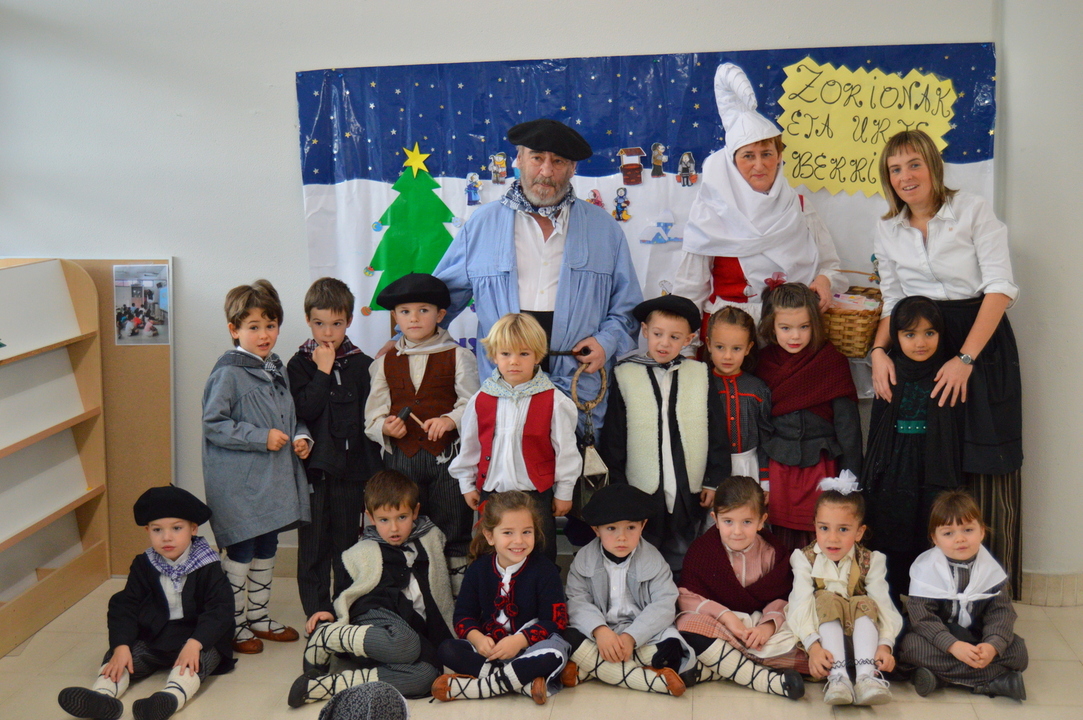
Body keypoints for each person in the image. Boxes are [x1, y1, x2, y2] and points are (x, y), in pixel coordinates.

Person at [871, 129, 1023, 594]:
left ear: (933, 166)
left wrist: (964, 358)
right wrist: (877, 352)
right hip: (917, 347)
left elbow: (1000, 288)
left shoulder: (972, 210)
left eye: (914, 164)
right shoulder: (887, 227)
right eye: (895, 169)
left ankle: (985, 594)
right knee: (919, 462)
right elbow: (892, 299)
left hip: (978, 344)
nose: (905, 176)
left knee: (979, 460)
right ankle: (920, 591)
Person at [433, 117, 643, 433]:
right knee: (505, 453)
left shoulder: (604, 228)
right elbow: (441, 299)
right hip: (504, 377)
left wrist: (606, 342)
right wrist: (402, 340)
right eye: (537, 158)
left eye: (558, 161)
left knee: (572, 456)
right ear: (518, 160)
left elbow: (627, 306)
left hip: (576, 377)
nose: (546, 171)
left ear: (572, 168)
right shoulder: (482, 224)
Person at [675, 62, 844, 336]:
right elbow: (690, 288)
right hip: (729, 338)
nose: (759, 165)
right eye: (748, 156)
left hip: (791, 334)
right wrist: (686, 343)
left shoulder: (799, 207)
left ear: (779, 158)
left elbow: (829, 264)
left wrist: (825, 280)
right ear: (733, 163)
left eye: (767, 154)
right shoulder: (711, 212)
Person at [57, 486, 234, 720]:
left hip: (197, 637)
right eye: (157, 530)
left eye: (176, 528)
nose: (166, 537)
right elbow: (125, 605)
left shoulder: (208, 565)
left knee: (196, 663)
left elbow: (220, 609)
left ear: (193, 528)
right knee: (121, 658)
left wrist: (196, 643)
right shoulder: (144, 564)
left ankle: (170, 697)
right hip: (156, 636)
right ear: (147, 530)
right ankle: (102, 697)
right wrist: (121, 645)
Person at [201, 279, 307, 654]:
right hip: (240, 485)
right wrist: (260, 437)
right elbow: (214, 424)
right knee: (242, 550)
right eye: (253, 326)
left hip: (270, 482)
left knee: (267, 545)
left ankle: (258, 617)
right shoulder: (228, 373)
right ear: (234, 330)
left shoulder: (276, 367)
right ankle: (231, 624)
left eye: (270, 325)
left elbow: (290, 414)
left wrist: (301, 436)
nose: (264, 335)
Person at [288, 471, 454, 706]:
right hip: (375, 614)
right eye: (384, 520)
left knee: (427, 675)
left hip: (406, 632)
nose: (394, 528)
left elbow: (441, 586)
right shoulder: (362, 551)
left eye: (402, 517)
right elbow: (347, 592)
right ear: (370, 517)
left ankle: (325, 686)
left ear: (415, 512)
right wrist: (331, 613)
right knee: (407, 643)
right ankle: (329, 636)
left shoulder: (430, 540)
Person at [598, 295, 730, 575]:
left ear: (689, 339)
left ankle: (683, 593)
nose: (664, 343)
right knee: (643, 550)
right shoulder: (625, 374)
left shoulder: (700, 373)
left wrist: (713, 480)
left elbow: (717, 430)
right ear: (645, 331)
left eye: (674, 337)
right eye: (658, 334)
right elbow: (614, 437)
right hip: (643, 488)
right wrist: (619, 486)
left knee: (685, 549)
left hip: (688, 484)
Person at [364, 274, 479, 590]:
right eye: (405, 311)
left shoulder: (459, 356)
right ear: (395, 316)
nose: (413, 318)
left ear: (440, 314)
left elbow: (472, 403)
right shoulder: (384, 362)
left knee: (453, 526)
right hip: (402, 461)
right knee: (405, 526)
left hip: (448, 462)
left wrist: (450, 420)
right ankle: (414, 595)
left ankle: (455, 596)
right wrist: (385, 426)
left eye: (423, 310)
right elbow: (373, 416)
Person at [287, 277, 383, 621]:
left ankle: (345, 612)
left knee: (347, 546)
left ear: (350, 321)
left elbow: (370, 421)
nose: (327, 333)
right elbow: (304, 410)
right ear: (307, 320)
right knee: (313, 547)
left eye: (337, 324)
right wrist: (323, 370)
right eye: (319, 323)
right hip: (313, 472)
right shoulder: (298, 364)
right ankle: (317, 614)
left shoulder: (363, 364)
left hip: (352, 473)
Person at [449, 312, 580, 562]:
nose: (514, 362)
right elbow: (470, 446)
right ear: (494, 356)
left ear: (537, 355)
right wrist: (467, 483)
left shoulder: (554, 400)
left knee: (540, 556)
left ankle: (541, 588)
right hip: (492, 493)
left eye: (524, 354)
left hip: (535, 495)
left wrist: (565, 490)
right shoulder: (481, 399)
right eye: (506, 353)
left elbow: (566, 451)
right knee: (491, 556)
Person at [861, 296, 962, 604]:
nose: (921, 342)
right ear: (896, 335)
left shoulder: (948, 371)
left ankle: (927, 603)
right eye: (910, 334)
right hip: (895, 463)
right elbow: (878, 428)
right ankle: (891, 602)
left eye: (930, 333)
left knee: (929, 524)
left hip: (933, 461)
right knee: (893, 525)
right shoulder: (889, 370)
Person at [431, 491, 571, 704]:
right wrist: (478, 639)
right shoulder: (478, 569)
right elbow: (463, 616)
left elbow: (556, 621)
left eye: (527, 532)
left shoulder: (545, 570)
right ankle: (521, 683)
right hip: (491, 651)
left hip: (530, 648)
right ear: (490, 536)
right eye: (508, 533)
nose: (519, 541)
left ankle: (479, 687)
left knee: (554, 654)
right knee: (447, 650)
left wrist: (519, 641)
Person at [677, 476, 806, 699]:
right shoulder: (702, 551)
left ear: (761, 521)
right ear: (715, 520)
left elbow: (785, 597)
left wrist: (767, 627)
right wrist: (726, 617)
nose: (737, 531)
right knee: (686, 624)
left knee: (804, 641)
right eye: (728, 521)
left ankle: (715, 668)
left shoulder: (772, 552)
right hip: (720, 625)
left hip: (758, 629)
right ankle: (764, 679)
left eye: (746, 522)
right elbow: (687, 596)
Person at [562, 483, 694, 696]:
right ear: (596, 530)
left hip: (641, 632)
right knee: (568, 636)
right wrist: (600, 630)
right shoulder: (584, 560)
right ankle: (649, 680)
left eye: (630, 528)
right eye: (611, 529)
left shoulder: (654, 559)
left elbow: (664, 605)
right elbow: (577, 601)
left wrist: (632, 637)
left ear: (643, 525)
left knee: (672, 646)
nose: (621, 537)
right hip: (601, 633)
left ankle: (590, 668)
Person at [901, 489, 1028, 700]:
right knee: (911, 647)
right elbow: (922, 618)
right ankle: (992, 682)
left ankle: (940, 678)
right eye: (948, 533)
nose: (960, 539)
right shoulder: (926, 569)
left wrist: (991, 646)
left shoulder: (991, 571)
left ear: (982, 532)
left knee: (1019, 652)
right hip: (938, 640)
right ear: (935, 538)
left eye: (968, 530)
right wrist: (952, 645)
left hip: (976, 637)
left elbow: (1002, 613)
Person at [788, 477, 903, 706]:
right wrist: (813, 647)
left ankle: (866, 677)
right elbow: (799, 604)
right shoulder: (804, 558)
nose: (832, 538)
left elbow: (884, 605)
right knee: (825, 598)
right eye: (824, 528)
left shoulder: (871, 560)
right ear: (815, 526)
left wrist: (885, 645)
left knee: (865, 601)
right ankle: (838, 677)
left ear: (859, 532)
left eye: (843, 529)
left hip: (861, 642)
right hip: (822, 641)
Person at [706, 306, 773, 489]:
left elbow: (765, 436)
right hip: (711, 469)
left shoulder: (757, 388)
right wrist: (707, 481)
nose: (727, 356)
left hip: (749, 466)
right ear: (709, 344)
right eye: (720, 347)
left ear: (748, 348)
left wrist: (765, 479)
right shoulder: (702, 385)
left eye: (736, 348)